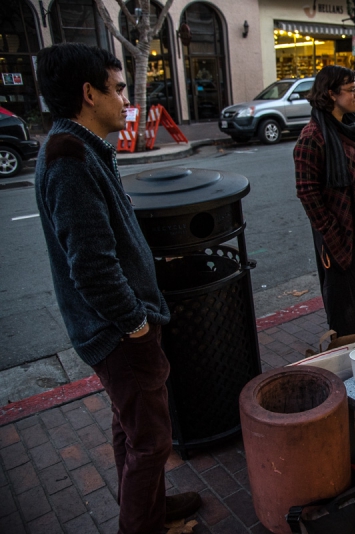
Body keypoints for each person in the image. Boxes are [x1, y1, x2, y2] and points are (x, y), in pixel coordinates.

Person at [34, 43, 201, 533]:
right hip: (118, 333)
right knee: (150, 439)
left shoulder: (82, 150)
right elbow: (91, 266)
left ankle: (151, 504)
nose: (126, 99)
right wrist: (135, 324)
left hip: (117, 329)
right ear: (89, 93)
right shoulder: (69, 157)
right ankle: (142, 524)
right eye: (119, 87)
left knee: (131, 430)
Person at [294, 65, 355, 339]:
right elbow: (307, 193)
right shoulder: (312, 137)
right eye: (351, 90)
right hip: (341, 237)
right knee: (347, 308)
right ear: (331, 94)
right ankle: (353, 370)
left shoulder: (354, 126)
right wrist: (332, 234)